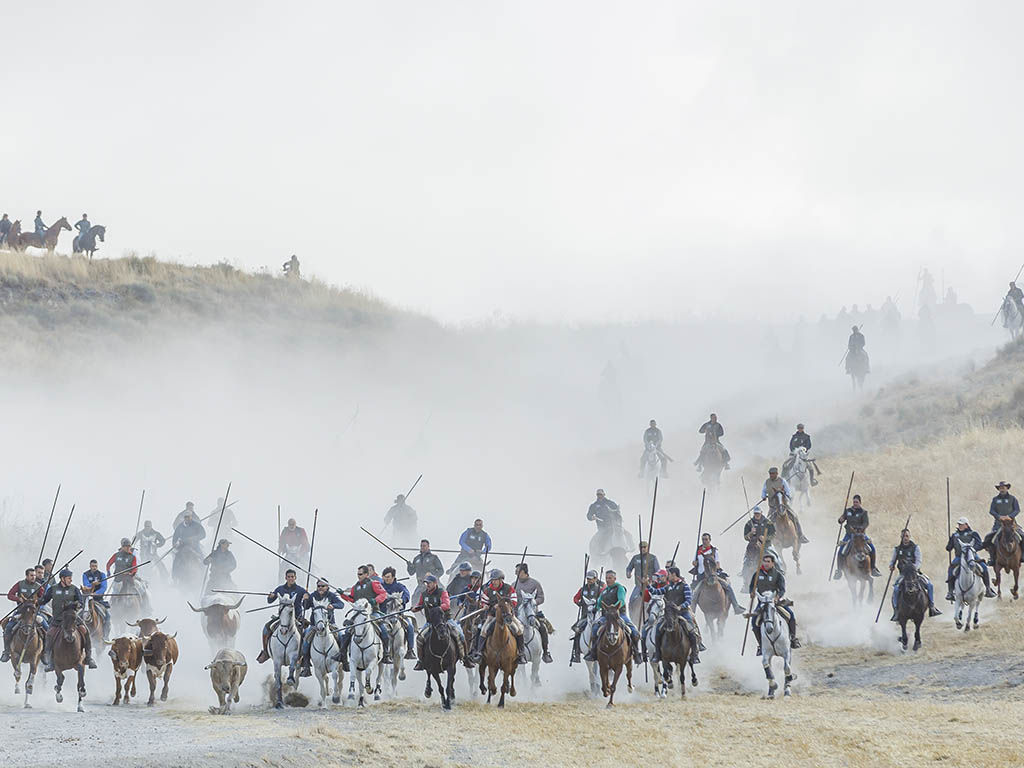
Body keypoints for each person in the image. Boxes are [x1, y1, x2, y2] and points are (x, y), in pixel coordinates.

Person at [411, 574, 473, 669]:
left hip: (445, 620)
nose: (427, 585)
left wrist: (438, 608)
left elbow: (446, 604)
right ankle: (420, 661)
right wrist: (415, 608)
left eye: (429, 583)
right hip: (430, 622)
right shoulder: (424, 594)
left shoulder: (442, 592)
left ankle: (465, 658)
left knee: (460, 635)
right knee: (419, 638)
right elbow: (420, 605)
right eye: (426, 583)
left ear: (435, 583)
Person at [40, 569, 97, 671]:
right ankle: (49, 661)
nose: (71, 580)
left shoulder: (74, 589)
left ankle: (89, 658)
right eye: (69, 578)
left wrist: (76, 605)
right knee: (49, 634)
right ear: (62, 579)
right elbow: (45, 600)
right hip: (58, 619)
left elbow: (81, 603)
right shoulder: (53, 589)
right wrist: (38, 601)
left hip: (72, 618)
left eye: (71, 578)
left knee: (85, 631)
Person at [337, 565, 393, 665]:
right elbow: (352, 599)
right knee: (348, 630)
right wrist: (342, 595)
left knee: (383, 629)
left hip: (373, 612)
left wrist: (375, 600)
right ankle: (342, 654)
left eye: (361, 574)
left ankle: (386, 654)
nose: (358, 576)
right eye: (358, 574)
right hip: (358, 614)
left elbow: (383, 594)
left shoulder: (374, 584)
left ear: (367, 575)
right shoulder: (355, 587)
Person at [468, 569, 527, 665]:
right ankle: (479, 653)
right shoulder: (488, 591)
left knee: (519, 629)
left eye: (495, 580)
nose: (493, 582)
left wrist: (506, 604)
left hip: (508, 616)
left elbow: (514, 601)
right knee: (483, 630)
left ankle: (521, 653)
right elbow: (484, 602)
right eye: (492, 580)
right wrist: (485, 606)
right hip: (492, 616)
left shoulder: (509, 588)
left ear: (501, 580)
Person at [583, 570, 642, 665]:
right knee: (594, 628)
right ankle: (593, 652)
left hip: (619, 615)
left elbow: (621, 601)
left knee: (634, 631)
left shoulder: (620, 588)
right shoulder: (604, 590)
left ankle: (636, 652)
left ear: (615, 578)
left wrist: (613, 608)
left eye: (610, 578)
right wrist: (595, 608)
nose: (607, 580)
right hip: (605, 616)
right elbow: (599, 602)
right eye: (606, 578)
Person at [647, 566, 702, 665]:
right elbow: (656, 592)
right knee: (658, 629)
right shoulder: (668, 587)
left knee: (691, 630)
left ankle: (694, 654)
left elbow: (689, 600)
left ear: (674, 575)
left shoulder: (684, 586)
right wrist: (647, 585)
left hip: (683, 612)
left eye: (669, 574)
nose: (668, 576)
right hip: (669, 614)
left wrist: (681, 607)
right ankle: (658, 654)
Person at [748, 553, 801, 655]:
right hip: (762, 603)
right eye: (764, 561)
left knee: (790, 615)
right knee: (754, 621)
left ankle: (793, 638)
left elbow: (782, 589)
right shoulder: (757, 574)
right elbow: (751, 586)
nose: (766, 563)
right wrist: (752, 592)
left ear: (773, 563)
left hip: (775, 602)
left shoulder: (778, 574)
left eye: (768, 562)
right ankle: (761, 645)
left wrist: (777, 597)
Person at [256, 569, 308, 664]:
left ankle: (304, 656)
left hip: (297, 617)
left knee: (307, 632)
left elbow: (307, 604)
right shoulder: (280, 589)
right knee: (266, 628)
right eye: (289, 577)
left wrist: (306, 597)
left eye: (292, 577)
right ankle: (265, 652)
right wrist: (270, 596)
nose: (290, 578)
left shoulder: (300, 590)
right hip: (282, 618)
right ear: (286, 578)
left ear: (295, 578)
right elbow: (270, 601)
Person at [889, 528, 942, 620]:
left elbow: (919, 561)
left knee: (930, 585)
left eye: (907, 536)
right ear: (901, 537)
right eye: (903, 536)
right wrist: (891, 565)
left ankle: (932, 607)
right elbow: (892, 560)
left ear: (909, 537)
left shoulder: (915, 548)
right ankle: (896, 611)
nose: (905, 538)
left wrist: (913, 569)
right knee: (896, 589)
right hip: (903, 575)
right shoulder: (897, 549)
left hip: (915, 574)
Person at [297, 579, 347, 677]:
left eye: (323, 586)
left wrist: (333, 605)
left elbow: (342, 604)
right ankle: (306, 665)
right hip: (314, 625)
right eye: (319, 586)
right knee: (305, 639)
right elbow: (305, 607)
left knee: (341, 637)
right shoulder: (313, 595)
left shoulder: (331, 596)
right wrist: (306, 600)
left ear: (327, 587)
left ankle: (344, 661)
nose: (320, 588)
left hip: (330, 624)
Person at [1, 568, 47, 663]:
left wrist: (37, 601)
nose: (33, 577)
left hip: (34, 613)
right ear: (26, 576)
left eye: (34, 575)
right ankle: (6, 651)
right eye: (31, 575)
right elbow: (10, 595)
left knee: (47, 628)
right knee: (8, 628)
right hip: (21, 612)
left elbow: (43, 598)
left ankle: (45, 653)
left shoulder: (39, 586)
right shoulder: (20, 584)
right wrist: (18, 599)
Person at [691, 533, 744, 615]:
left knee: (728, 586)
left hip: (713, 574)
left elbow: (718, 563)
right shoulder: (698, 550)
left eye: (706, 539)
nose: (704, 541)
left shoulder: (714, 551)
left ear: (710, 540)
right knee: (695, 593)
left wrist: (714, 570)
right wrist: (694, 563)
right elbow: (694, 562)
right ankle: (692, 611)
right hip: (701, 575)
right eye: (703, 539)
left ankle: (736, 606)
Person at [945, 517, 996, 600]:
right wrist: (950, 543)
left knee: (983, 567)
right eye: (959, 524)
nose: (960, 526)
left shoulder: (973, 533)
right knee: (951, 570)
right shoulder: (955, 535)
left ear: (966, 525)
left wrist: (971, 550)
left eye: (961, 524)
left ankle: (988, 589)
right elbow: (948, 548)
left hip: (972, 556)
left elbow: (980, 545)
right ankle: (950, 592)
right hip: (959, 557)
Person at [513, 562, 554, 663]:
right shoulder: (514, 585)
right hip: (516, 614)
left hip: (532, 613)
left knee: (542, 628)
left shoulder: (535, 583)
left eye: (517, 572)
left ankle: (545, 652)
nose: (516, 573)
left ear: (523, 572)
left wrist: (534, 602)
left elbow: (541, 597)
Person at [833, 495, 881, 578]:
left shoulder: (863, 512)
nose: (855, 504)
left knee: (872, 548)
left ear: (860, 503)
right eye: (854, 502)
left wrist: (860, 529)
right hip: (849, 535)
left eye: (857, 502)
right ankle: (839, 570)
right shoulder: (847, 511)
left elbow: (866, 523)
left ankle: (873, 568)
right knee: (840, 551)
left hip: (861, 535)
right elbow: (841, 520)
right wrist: (840, 520)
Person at [760, 467, 809, 544]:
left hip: (784, 506)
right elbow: (764, 490)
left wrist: (785, 495)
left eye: (773, 474)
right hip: (773, 507)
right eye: (770, 474)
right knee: (767, 522)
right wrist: (763, 496)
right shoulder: (767, 482)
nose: (771, 475)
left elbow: (788, 492)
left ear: (777, 474)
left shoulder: (783, 481)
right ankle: (765, 539)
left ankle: (800, 535)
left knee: (795, 517)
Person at [380, 567, 417, 660]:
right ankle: (383, 651)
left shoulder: (400, 587)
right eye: (384, 577)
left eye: (388, 577)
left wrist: (402, 600)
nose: (386, 579)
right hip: (383, 614)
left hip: (398, 614)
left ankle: (410, 650)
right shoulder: (380, 587)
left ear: (393, 577)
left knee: (410, 627)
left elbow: (406, 595)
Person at [982, 481, 1021, 566]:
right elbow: (991, 510)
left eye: (1004, 487)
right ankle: (992, 558)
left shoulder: (1013, 499)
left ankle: (1022, 556)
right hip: (998, 525)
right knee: (989, 539)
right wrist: (999, 516)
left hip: (1011, 524)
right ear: (998, 489)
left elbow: (1017, 510)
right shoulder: (995, 499)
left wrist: (1009, 516)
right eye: (1000, 488)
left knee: (1022, 537)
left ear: (1007, 488)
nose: (1002, 489)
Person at [569, 569, 603, 663]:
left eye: (591, 579)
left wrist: (597, 606)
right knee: (577, 630)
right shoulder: (582, 589)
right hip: (585, 615)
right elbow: (575, 598)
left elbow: (602, 600)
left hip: (597, 615)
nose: (589, 580)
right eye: (588, 579)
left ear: (595, 579)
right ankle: (576, 653)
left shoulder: (599, 589)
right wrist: (578, 603)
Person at [407, 539, 445, 606]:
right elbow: (411, 573)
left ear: (428, 547)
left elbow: (441, 571)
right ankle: (417, 613)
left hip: (434, 584)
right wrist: (409, 566)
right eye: (421, 546)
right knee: (415, 598)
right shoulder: (416, 559)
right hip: (421, 584)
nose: (422, 547)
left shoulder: (434, 557)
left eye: (424, 546)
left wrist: (432, 575)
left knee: (444, 593)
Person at [81, 559, 112, 640]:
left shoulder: (102, 575)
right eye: (92, 566)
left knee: (108, 616)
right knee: (79, 615)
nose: (94, 568)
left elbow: (104, 587)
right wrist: (92, 585)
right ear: (90, 566)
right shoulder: (85, 574)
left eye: (95, 566)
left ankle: (105, 635)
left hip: (98, 600)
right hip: (88, 600)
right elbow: (86, 584)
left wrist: (96, 593)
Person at [625, 541, 660, 611]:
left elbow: (658, 571)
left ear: (648, 548)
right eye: (641, 547)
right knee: (631, 600)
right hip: (638, 585)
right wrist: (628, 573)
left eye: (644, 547)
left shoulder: (652, 558)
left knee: (657, 601)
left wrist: (652, 581)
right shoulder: (635, 558)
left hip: (650, 586)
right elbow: (629, 568)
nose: (643, 549)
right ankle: (631, 617)